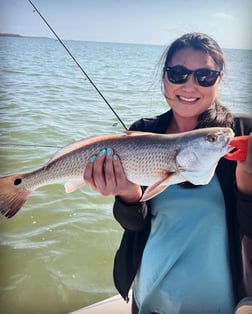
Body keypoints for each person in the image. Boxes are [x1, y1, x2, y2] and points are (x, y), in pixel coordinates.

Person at [84, 32, 252, 314]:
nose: (189, 85)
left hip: (222, 297)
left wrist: (247, 183)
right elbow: (136, 225)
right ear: (164, 76)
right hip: (151, 288)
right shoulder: (143, 131)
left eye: (205, 76)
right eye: (177, 73)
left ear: (219, 78)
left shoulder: (240, 133)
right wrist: (126, 193)